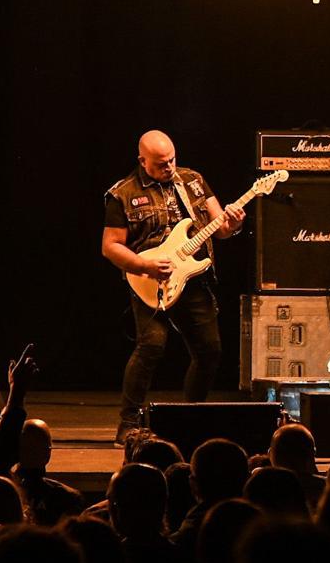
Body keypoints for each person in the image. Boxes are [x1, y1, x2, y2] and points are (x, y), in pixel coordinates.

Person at [101, 130, 243, 444]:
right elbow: (110, 246)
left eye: (172, 160)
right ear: (142, 161)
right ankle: (128, 424)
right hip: (149, 280)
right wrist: (143, 265)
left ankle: (190, 416)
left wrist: (233, 224)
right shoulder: (122, 194)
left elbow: (219, 229)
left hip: (192, 278)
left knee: (210, 350)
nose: (169, 167)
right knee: (151, 346)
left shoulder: (192, 180)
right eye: (161, 163)